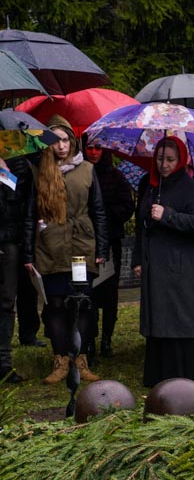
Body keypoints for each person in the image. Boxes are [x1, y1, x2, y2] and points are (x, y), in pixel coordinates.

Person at [22, 117, 108, 384]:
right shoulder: (40, 171)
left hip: (82, 244)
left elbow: (99, 211)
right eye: (55, 140)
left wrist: (102, 247)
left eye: (65, 139)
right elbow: (29, 215)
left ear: (72, 140)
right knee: (56, 305)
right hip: (50, 247)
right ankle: (61, 359)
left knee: (82, 303)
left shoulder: (87, 170)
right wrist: (27, 254)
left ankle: (81, 359)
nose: (61, 145)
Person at [132, 136, 194, 387]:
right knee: (160, 319)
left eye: (169, 159)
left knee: (182, 319)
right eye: (159, 159)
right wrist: (138, 259)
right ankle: (161, 374)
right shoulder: (151, 186)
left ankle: (189, 375)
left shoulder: (193, 188)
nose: (164, 165)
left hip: (183, 267)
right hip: (156, 266)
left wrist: (168, 215)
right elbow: (140, 226)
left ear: (180, 160)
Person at [82, 142, 135, 359]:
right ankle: (90, 340)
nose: (93, 152)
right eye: (89, 148)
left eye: (97, 147)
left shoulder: (115, 177)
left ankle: (107, 339)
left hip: (111, 242)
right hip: (86, 241)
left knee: (109, 293)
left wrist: (107, 213)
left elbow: (127, 206)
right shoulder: (80, 174)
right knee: (88, 292)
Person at [0, 142, 36, 381]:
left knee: (5, 302)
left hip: (7, 241)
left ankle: (3, 362)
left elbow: (19, 206)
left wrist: (4, 176)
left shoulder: (16, 163)